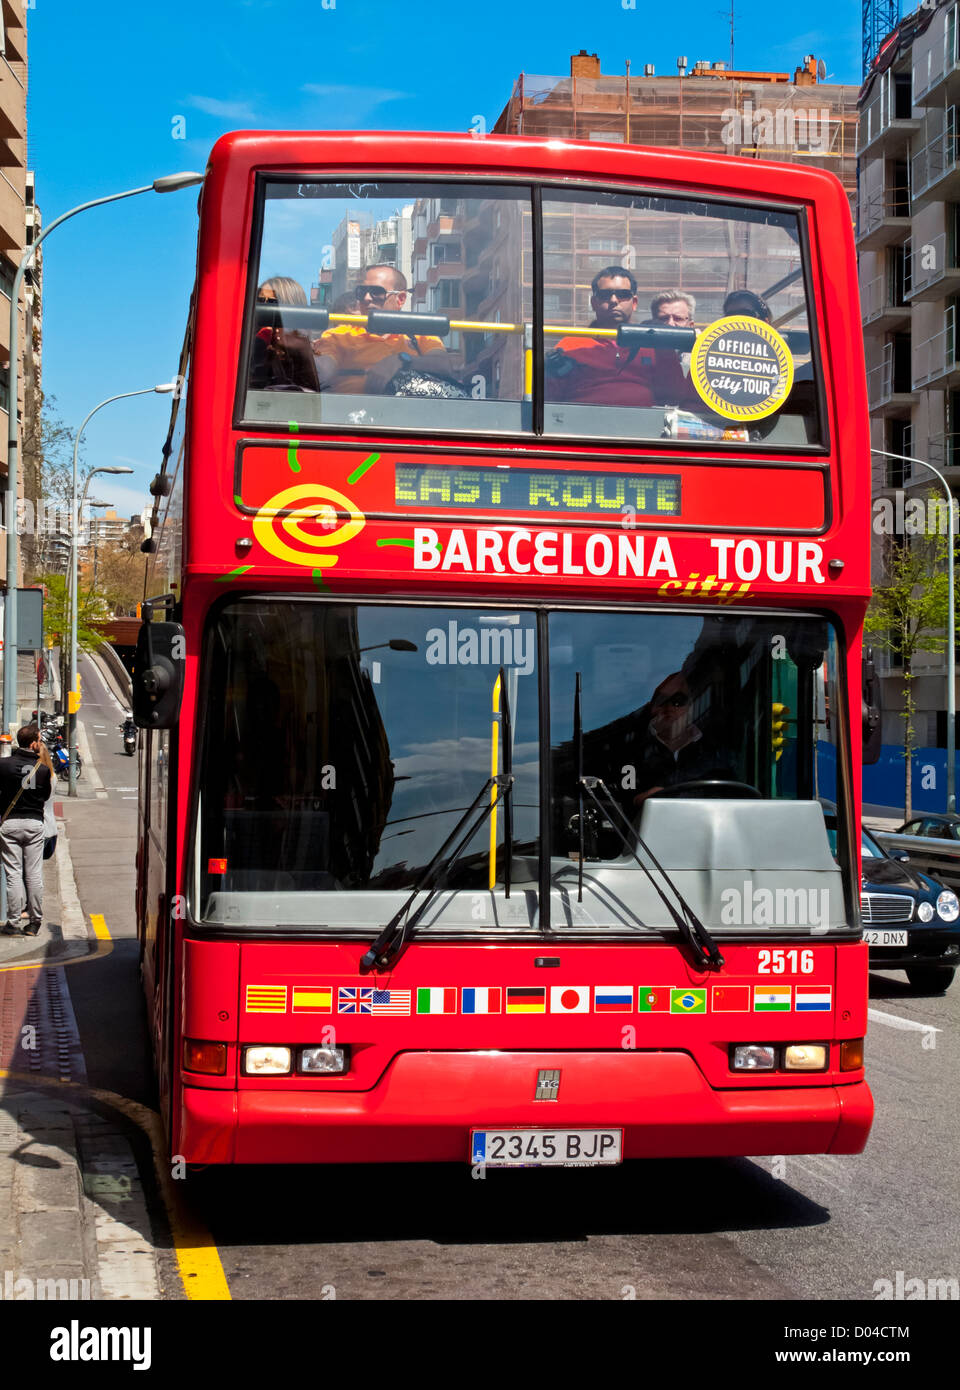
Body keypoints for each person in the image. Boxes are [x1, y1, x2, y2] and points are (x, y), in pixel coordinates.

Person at [312, 265, 455, 394]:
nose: (367, 298)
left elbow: (443, 364)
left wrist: (401, 362)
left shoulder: (418, 333)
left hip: (411, 418)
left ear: (400, 299)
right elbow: (323, 369)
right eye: (361, 292)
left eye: (376, 292)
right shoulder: (340, 335)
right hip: (352, 419)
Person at [545, 265, 656, 406]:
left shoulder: (654, 345)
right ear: (593, 303)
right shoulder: (569, 346)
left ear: (634, 303)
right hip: (582, 423)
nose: (614, 300)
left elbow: (677, 396)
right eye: (605, 295)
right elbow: (548, 399)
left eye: (623, 295)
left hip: (645, 424)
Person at [631, 673, 737, 807]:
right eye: (662, 700)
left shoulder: (714, 749)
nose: (669, 708)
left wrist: (666, 791)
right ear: (651, 707)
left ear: (690, 706)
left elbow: (730, 796)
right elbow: (623, 806)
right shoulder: (633, 750)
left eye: (678, 701)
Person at [0, 722, 53, 937]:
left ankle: (12, 922)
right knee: (33, 874)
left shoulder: (3, 765)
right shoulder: (42, 770)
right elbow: (46, 796)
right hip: (33, 824)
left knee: (13, 874)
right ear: (33, 744)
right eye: (39, 740)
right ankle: (34, 922)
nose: (40, 743)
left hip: (9, 823)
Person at [250, 275, 317, 391]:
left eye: (272, 302)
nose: (264, 308)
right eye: (260, 301)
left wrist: (300, 348)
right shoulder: (252, 343)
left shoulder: (306, 351)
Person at [648, 288, 700, 407]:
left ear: (691, 325)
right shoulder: (640, 353)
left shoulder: (703, 357)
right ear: (653, 322)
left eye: (678, 318)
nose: (670, 323)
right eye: (663, 318)